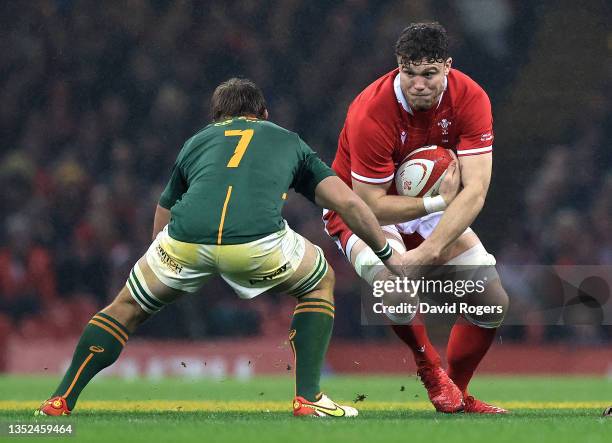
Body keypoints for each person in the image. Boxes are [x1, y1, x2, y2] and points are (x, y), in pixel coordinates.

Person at [36, 78, 407, 418]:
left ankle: (61, 399)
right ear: (264, 114)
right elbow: (351, 205)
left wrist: (166, 271)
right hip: (257, 243)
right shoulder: (287, 139)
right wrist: (388, 256)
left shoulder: (196, 141)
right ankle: (308, 398)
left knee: (127, 306)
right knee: (319, 278)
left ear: (216, 117)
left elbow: (162, 215)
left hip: (182, 242)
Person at [323, 22, 509, 413]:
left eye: (429, 74)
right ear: (398, 67)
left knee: (491, 302)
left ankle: (454, 394)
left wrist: (428, 250)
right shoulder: (371, 111)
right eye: (409, 73)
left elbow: (475, 190)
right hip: (358, 208)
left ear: (447, 67)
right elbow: (370, 203)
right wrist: (433, 207)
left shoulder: (471, 98)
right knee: (393, 284)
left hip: (428, 203)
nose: (418, 84)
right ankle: (429, 367)